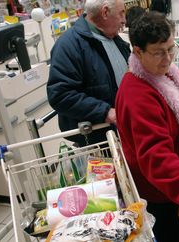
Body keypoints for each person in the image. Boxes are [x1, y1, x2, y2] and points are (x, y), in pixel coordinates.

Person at [115, 12, 179, 242]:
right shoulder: (137, 94)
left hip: (173, 187)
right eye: (159, 52)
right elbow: (156, 156)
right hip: (159, 194)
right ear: (138, 52)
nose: (168, 58)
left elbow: (172, 117)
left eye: (171, 49)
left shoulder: (162, 75)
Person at [47, 0, 130, 146]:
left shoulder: (114, 39)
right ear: (105, 12)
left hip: (123, 131)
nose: (124, 20)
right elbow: (60, 95)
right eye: (121, 13)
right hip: (97, 139)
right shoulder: (68, 45)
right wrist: (105, 112)